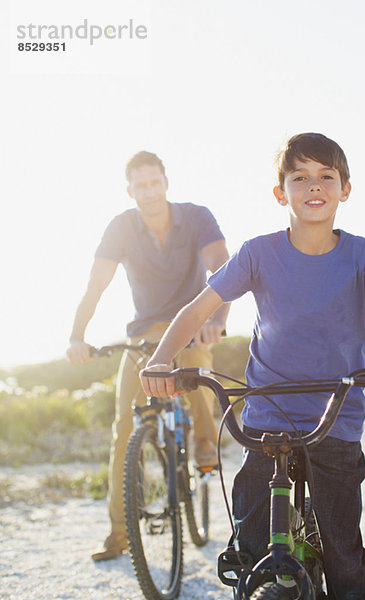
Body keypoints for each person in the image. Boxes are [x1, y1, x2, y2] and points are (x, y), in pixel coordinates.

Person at [140, 133, 365, 599]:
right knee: (252, 540)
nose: (314, 186)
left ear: (345, 189)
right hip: (267, 416)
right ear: (281, 193)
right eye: (300, 177)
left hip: (334, 419)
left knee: (343, 551)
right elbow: (197, 308)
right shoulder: (258, 252)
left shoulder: (360, 255)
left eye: (326, 176)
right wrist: (160, 360)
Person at [67, 150, 230, 561]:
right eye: (140, 185)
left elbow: (223, 269)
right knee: (125, 427)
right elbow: (96, 285)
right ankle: (120, 532)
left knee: (197, 379)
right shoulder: (121, 227)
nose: (149, 191)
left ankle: (206, 445)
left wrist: (217, 319)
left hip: (192, 326)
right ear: (130, 190)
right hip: (143, 336)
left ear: (165, 182)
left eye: (155, 182)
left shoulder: (196, 217)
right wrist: (77, 336)